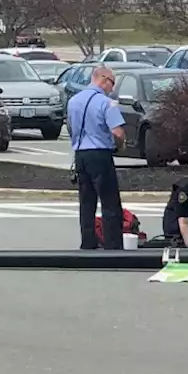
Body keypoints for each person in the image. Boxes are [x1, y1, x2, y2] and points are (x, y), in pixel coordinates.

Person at [68, 65, 126, 250]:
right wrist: (120, 145)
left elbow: (70, 128)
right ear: (102, 79)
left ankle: (88, 242)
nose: (112, 88)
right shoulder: (106, 103)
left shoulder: (73, 101)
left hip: (80, 154)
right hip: (100, 154)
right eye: (112, 83)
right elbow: (117, 132)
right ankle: (113, 245)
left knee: (86, 202)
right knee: (110, 203)